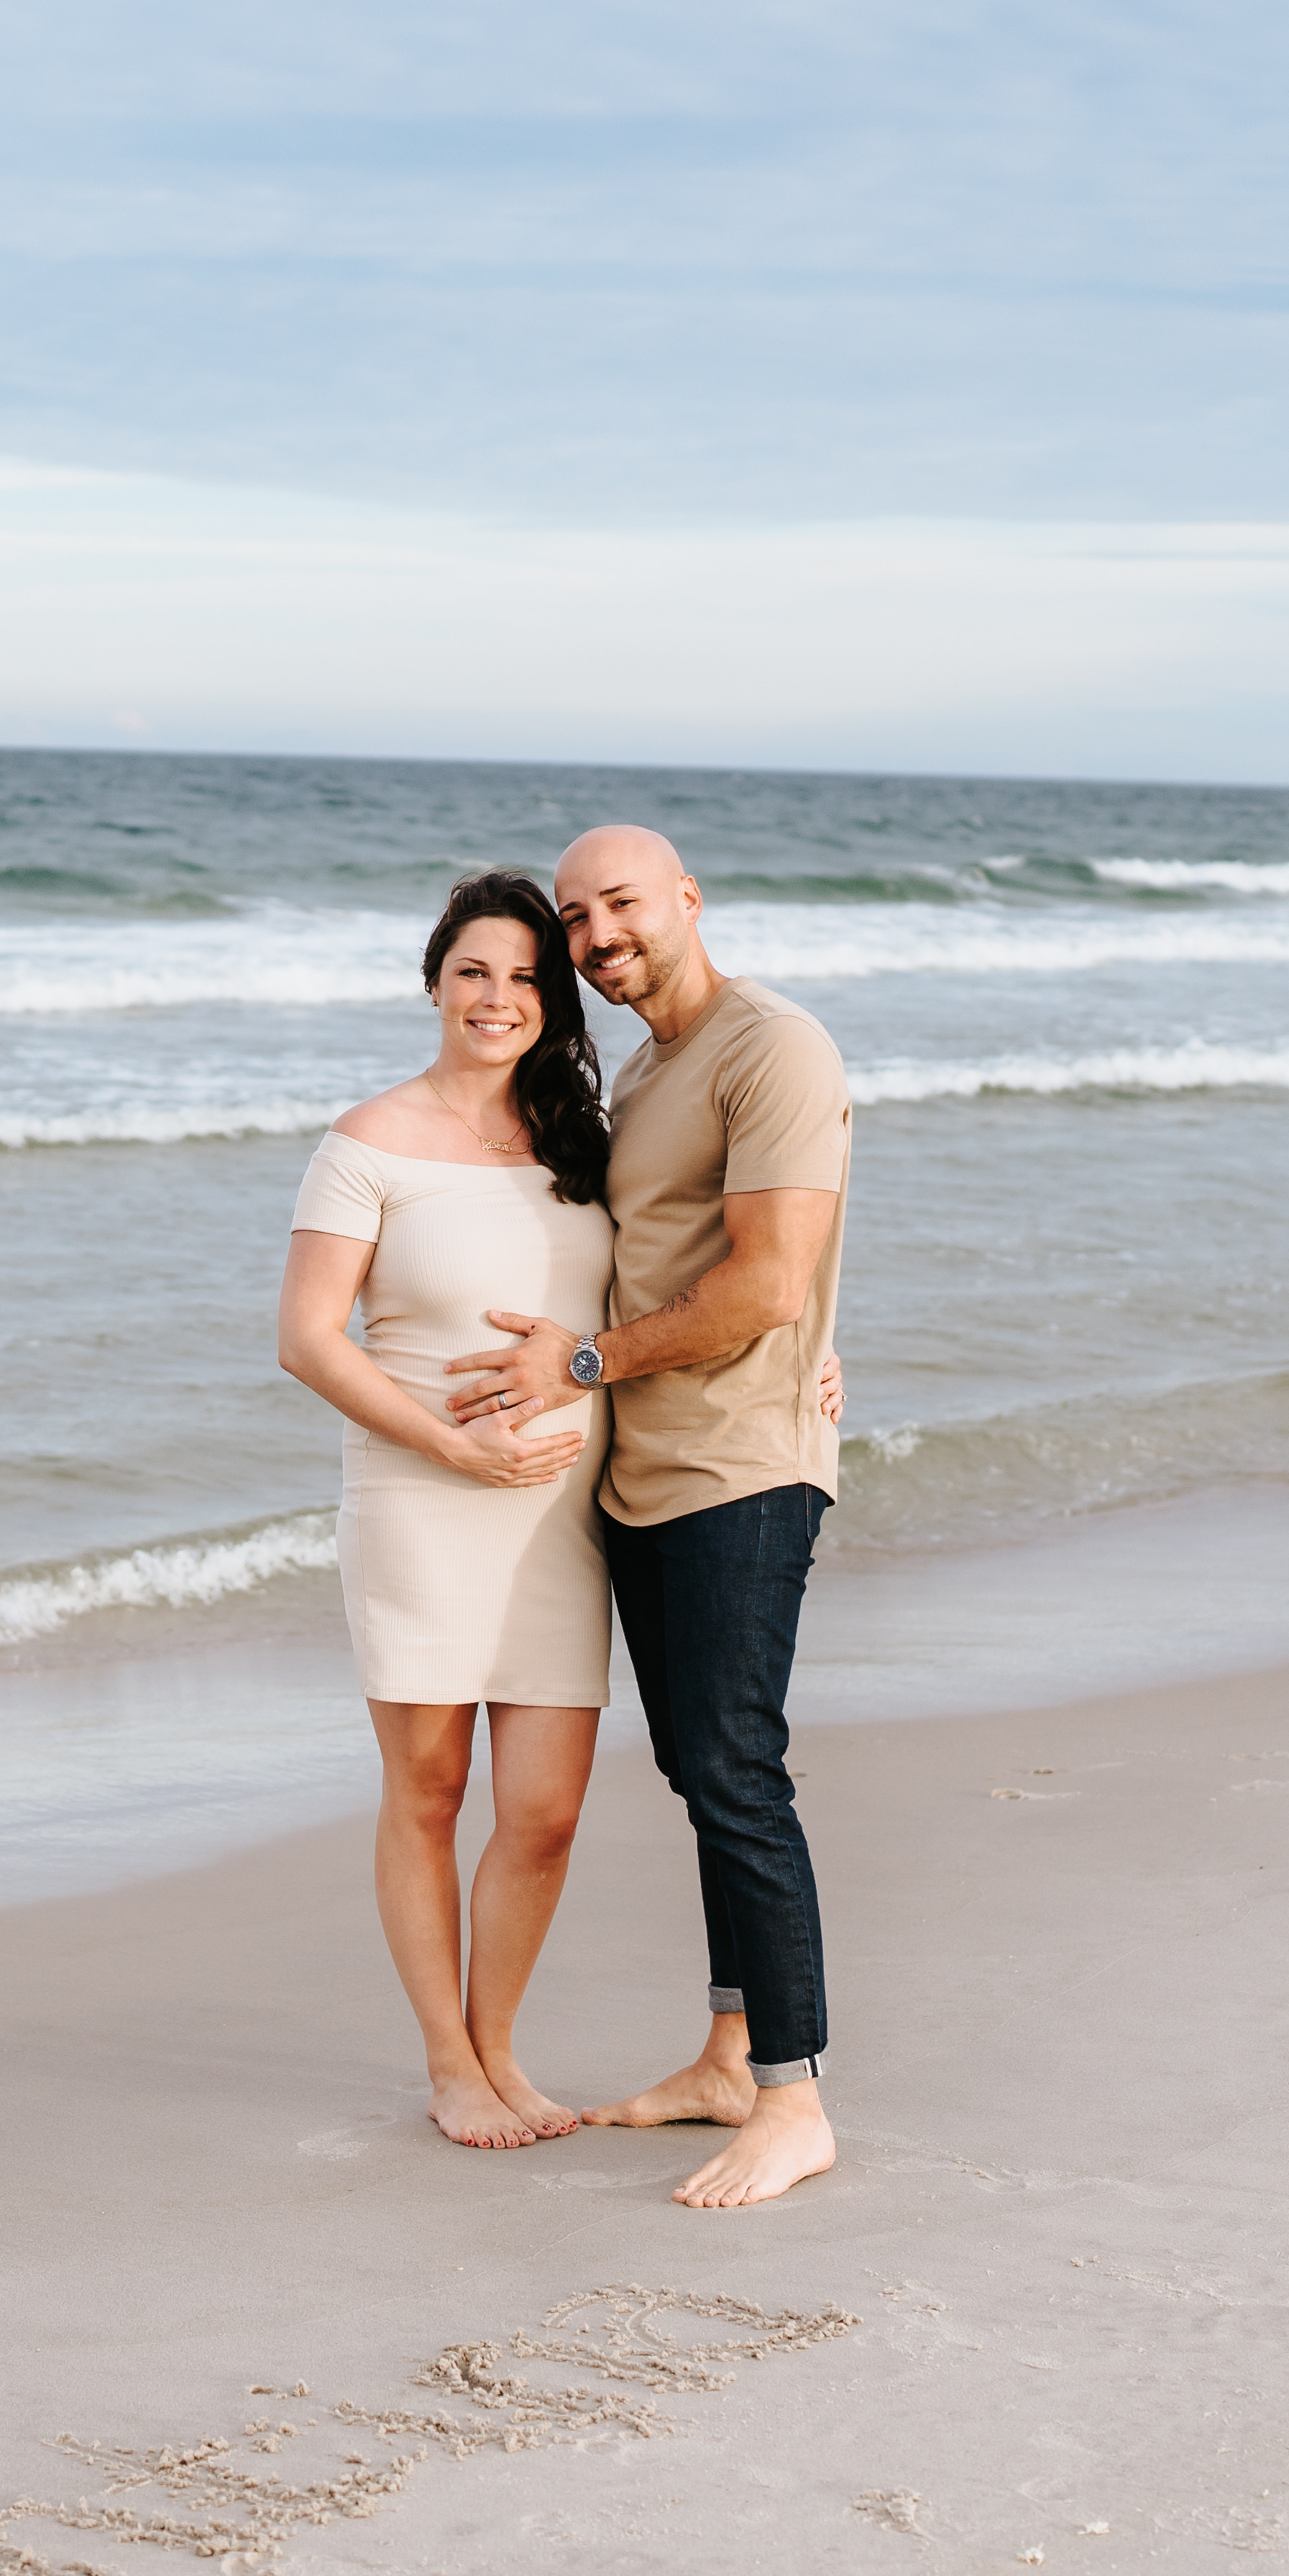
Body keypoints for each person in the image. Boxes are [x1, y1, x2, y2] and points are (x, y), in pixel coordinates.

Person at [448, 824, 852, 2208]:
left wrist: (576, 1365)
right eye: (573, 917)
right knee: (696, 1766)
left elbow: (769, 1282)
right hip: (646, 1471)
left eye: (620, 902)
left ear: (687, 899)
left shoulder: (771, 1045)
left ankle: (795, 2098)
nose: (596, 934)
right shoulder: (653, 1062)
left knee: (739, 1770)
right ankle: (734, 2055)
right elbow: (707, 1257)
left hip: (741, 1464)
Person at [276, 873, 617, 2149]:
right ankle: (451, 2065)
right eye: (477, 970)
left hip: (558, 1520)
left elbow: (688, 1281)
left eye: (530, 977)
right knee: (428, 1790)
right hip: (422, 1495)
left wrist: (808, 1351)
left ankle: (503, 2047)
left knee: (545, 1809)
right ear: (435, 982)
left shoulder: (585, 1148)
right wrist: (449, 1449)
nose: (501, 997)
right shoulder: (367, 1140)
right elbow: (308, 1340)